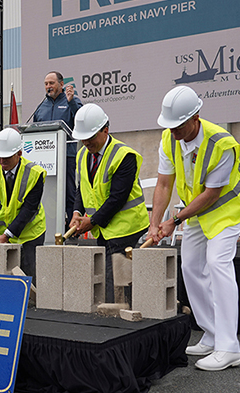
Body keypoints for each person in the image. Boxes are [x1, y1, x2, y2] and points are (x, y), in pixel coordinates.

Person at [147, 85, 240, 371]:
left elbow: (212, 194)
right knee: (191, 267)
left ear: (196, 117)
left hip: (225, 211)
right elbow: (164, 183)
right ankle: (212, 333)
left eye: (178, 125)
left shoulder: (221, 143)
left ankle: (229, 347)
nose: (174, 131)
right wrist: (155, 223)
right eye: (170, 125)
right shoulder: (169, 139)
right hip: (195, 213)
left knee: (218, 263)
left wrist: (174, 220)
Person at [69, 103, 149, 303]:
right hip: (104, 228)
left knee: (115, 279)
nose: (86, 142)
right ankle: (123, 307)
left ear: (105, 130)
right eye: (83, 138)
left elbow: (117, 198)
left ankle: (119, 317)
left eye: (91, 137)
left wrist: (92, 222)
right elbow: (82, 188)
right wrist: (76, 213)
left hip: (126, 227)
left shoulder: (124, 156)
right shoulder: (82, 155)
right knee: (114, 276)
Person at [0, 128, 46, 284]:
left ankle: (31, 306)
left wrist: (7, 235)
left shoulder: (35, 174)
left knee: (28, 277)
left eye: (7, 158)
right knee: (5, 279)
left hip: (30, 233)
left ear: (19, 153)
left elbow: (28, 210)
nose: (2, 162)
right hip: (2, 235)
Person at [33, 71, 83, 227]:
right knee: (45, 193)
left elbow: (81, 120)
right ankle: (48, 227)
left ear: (61, 84)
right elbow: (34, 129)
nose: (48, 86)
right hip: (44, 157)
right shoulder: (41, 106)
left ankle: (72, 228)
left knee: (69, 193)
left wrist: (71, 102)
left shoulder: (71, 101)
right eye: (46, 84)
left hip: (66, 155)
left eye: (52, 83)